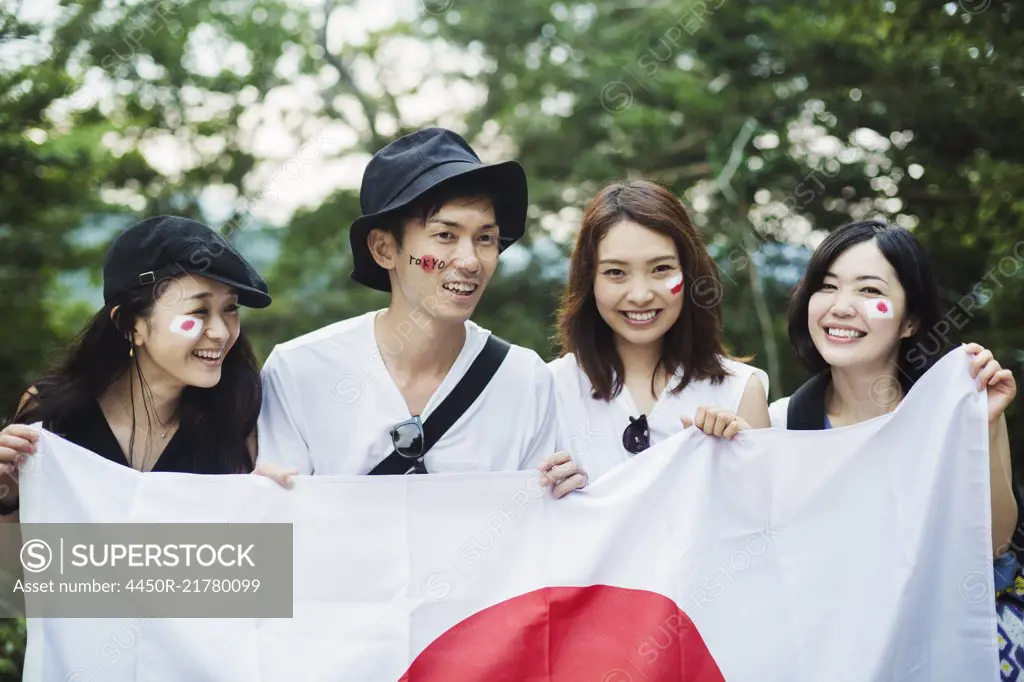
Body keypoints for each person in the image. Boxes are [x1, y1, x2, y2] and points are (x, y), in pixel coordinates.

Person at [255, 128, 578, 494]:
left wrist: (563, 497)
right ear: (383, 249)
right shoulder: (299, 372)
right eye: (445, 235)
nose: (470, 261)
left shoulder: (523, 380)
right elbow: (277, 536)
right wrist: (253, 504)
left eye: (485, 238)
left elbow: (532, 536)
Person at [767, 219, 1020, 675]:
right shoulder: (780, 424)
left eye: (868, 291)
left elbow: (995, 542)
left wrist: (986, 426)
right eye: (827, 286)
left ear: (910, 320)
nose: (841, 307)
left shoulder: (956, 416)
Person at [0, 215, 273, 519]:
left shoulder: (241, 414)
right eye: (199, 311)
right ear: (130, 325)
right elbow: (25, 560)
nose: (221, 332)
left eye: (231, 308)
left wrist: (272, 502)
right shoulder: (53, 414)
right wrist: (7, 496)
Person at [549, 180, 771, 483]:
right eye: (616, 272)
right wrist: (547, 495)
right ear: (589, 281)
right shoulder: (550, 389)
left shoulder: (740, 391)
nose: (640, 295)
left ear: (689, 273)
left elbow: (765, 519)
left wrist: (740, 462)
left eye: (661, 269)